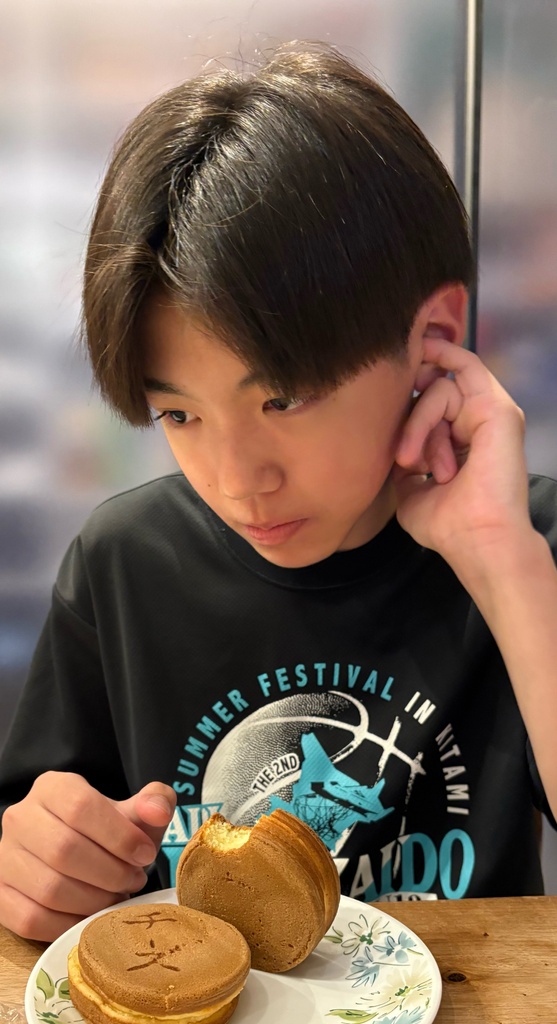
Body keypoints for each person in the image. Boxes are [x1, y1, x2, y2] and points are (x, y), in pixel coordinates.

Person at [1, 43, 556, 944]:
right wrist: (34, 857)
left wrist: (503, 564)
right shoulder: (122, 564)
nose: (237, 482)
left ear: (433, 336)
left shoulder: (528, 548)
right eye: (179, 414)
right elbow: (32, 844)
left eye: (282, 399)